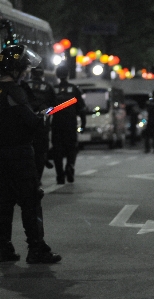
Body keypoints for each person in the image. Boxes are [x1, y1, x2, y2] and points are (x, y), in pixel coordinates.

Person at [0, 44, 61, 263]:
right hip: (19, 154)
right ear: (14, 70)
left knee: (4, 202)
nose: (26, 72)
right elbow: (32, 123)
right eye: (23, 68)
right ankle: (37, 248)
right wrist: (42, 117)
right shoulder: (15, 92)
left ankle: (4, 248)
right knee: (31, 200)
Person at [52, 65, 86, 184]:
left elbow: (47, 109)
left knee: (57, 151)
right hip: (71, 124)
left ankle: (60, 175)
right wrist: (83, 125)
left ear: (57, 75)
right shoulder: (74, 89)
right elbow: (81, 109)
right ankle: (70, 165)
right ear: (67, 74)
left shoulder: (53, 89)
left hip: (56, 125)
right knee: (72, 148)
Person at [25, 66, 57, 184]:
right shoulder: (48, 87)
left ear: (31, 74)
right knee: (40, 151)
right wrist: (45, 114)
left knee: (26, 150)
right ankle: (38, 178)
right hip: (42, 124)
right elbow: (54, 106)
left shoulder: (24, 85)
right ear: (42, 74)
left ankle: (28, 177)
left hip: (26, 124)